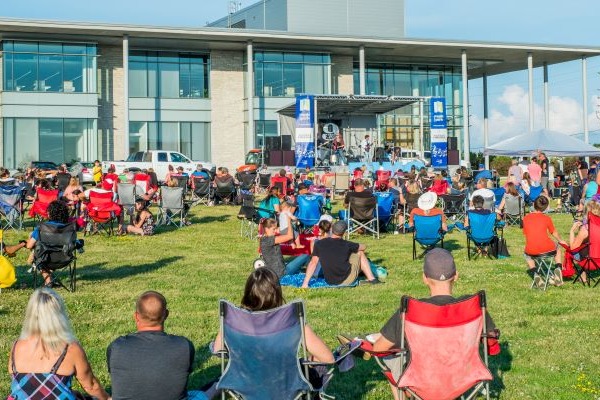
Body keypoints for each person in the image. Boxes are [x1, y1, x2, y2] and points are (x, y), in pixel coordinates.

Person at [369, 248, 500, 400]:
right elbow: (490, 342)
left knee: (389, 358)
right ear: (456, 276)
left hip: (422, 381)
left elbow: (379, 348)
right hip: (464, 378)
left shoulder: (411, 311)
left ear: (424, 278)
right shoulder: (473, 307)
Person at [107, 291, 216, 400]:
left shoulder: (117, 346)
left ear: (136, 316)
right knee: (203, 392)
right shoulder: (184, 346)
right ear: (166, 315)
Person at [214, 268, 334, 364]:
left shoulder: (234, 319)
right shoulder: (291, 320)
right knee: (319, 368)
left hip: (244, 383)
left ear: (248, 292)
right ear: (277, 293)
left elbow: (218, 349)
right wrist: (304, 363)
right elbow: (328, 358)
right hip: (284, 385)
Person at [8, 288, 110, 400]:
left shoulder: (16, 346)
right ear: (58, 315)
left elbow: (27, 387)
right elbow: (91, 386)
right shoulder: (70, 349)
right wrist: (107, 398)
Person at [301, 221, 380, 287]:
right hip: (345, 280)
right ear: (344, 233)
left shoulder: (319, 243)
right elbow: (363, 247)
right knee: (359, 253)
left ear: (332, 229)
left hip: (329, 280)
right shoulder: (347, 244)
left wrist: (305, 284)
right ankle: (372, 279)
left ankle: (369, 277)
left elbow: (313, 263)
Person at [26, 200, 74, 285]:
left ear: (50, 213)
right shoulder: (70, 228)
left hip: (45, 259)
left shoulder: (42, 227)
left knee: (38, 255)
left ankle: (48, 281)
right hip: (65, 259)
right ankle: (51, 280)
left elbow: (29, 246)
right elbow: (74, 243)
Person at [522, 196, 566, 287]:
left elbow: (526, 233)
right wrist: (561, 241)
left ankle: (536, 274)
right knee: (558, 248)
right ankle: (558, 268)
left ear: (534, 205)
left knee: (526, 254)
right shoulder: (546, 218)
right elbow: (553, 232)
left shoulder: (525, 218)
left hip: (531, 249)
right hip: (547, 248)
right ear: (546, 207)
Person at [568, 198, 600, 284]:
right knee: (587, 245)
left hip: (592, 261)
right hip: (598, 258)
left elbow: (573, 248)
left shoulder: (585, 229)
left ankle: (583, 277)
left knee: (578, 250)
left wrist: (572, 231)